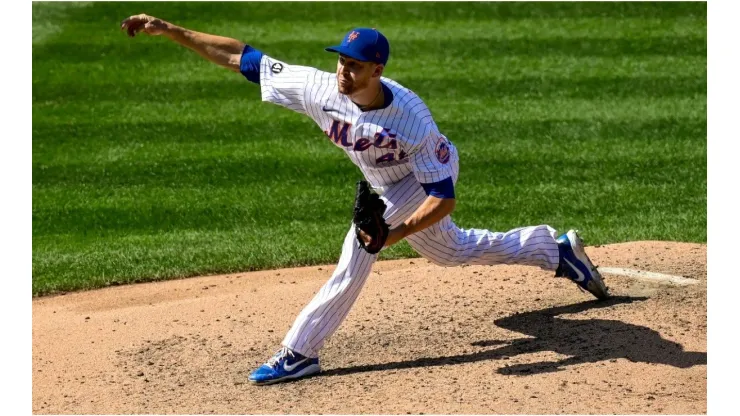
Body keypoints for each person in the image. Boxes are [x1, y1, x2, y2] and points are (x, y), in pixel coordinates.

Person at [120, 14, 610, 386]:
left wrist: (391, 235)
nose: (343, 72)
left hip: (424, 181)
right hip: (384, 184)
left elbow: (443, 198)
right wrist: (170, 29)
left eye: (354, 66)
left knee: (359, 250)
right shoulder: (319, 88)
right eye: (340, 61)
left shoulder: (414, 121)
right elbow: (241, 57)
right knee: (452, 251)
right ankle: (554, 249)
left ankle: (300, 351)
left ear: (378, 69)